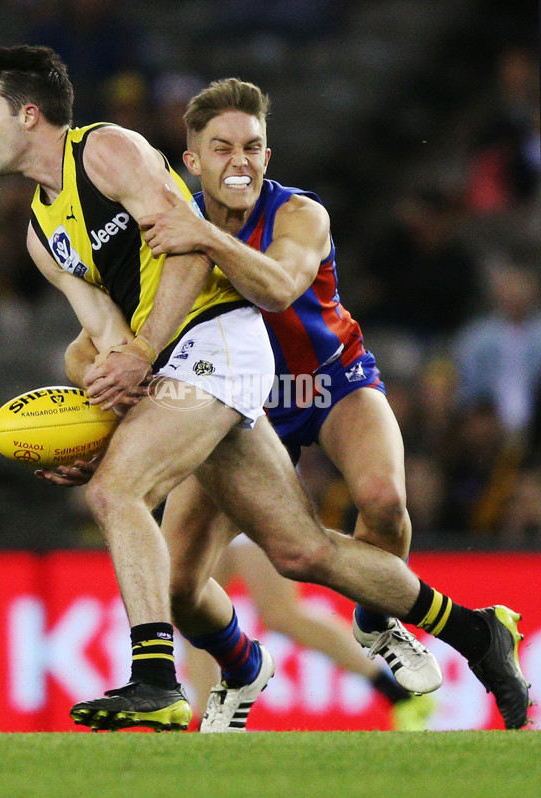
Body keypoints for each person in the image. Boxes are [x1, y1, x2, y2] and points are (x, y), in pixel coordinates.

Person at [0, 51, 529, 734]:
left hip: (222, 341)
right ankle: (477, 633)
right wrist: (102, 425)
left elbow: (189, 250)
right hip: (182, 367)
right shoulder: (40, 233)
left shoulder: (104, 151)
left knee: (115, 493)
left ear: (29, 114)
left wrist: (144, 357)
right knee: (300, 551)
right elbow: (105, 335)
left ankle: (154, 679)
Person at [134, 78, 530, 732]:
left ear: (268, 154)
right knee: (178, 587)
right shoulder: (167, 235)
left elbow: (280, 286)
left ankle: (378, 621)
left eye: (253, 146)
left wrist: (202, 238)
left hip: (331, 382)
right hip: (238, 410)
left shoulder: (298, 215)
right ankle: (240, 664)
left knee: (385, 502)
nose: (240, 160)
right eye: (222, 147)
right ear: (192, 161)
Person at [184, 533, 436, 731]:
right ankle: (211, 725)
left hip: (244, 486)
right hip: (214, 493)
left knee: (280, 613)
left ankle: (399, 694)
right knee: (196, 612)